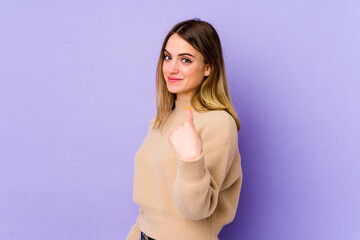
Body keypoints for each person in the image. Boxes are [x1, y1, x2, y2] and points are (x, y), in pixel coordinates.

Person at [126, 18, 243, 240]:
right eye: (168, 57)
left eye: (186, 60)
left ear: (208, 67)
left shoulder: (218, 123)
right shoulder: (163, 118)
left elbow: (196, 211)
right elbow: (148, 204)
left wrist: (191, 160)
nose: (172, 68)